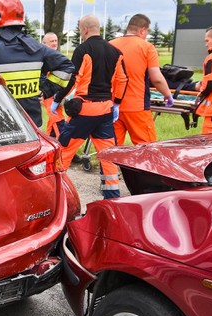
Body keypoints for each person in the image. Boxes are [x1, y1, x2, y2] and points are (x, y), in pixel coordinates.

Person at [51, 15, 127, 198]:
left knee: (65, 147)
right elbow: (123, 79)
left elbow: (71, 78)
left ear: (84, 29)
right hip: (106, 110)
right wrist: (116, 103)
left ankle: (54, 191)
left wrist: (57, 98)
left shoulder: (83, 50)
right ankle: (113, 196)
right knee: (107, 154)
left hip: (85, 109)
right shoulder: (115, 52)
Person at [108, 14, 173, 145]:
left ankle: (111, 167)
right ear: (142, 30)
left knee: (112, 150)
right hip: (137, 107)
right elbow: (157, 78)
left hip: (113, 105)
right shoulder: (147, 47)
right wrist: (167, 94)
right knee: (146, 149)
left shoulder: (110, 45)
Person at [40, 32, 66, 137]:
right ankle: (63, 148)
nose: (55, 43)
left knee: (54, 120)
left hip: (57, 93)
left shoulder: (58, 57)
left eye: (56, 41)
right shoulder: (42, 58)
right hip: (48, 94)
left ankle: (50, 142)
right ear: (44, 43)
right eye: (52, 41)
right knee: (57, 119)